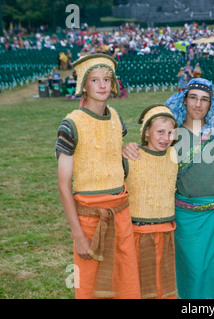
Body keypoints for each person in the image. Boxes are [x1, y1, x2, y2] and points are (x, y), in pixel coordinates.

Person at [122, 78, 214, 299]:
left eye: (204, 100)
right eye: (193, 98)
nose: (198, 105)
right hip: (184, 219)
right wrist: (129, 146)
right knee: (190, 274)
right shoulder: (172, 136)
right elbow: (150, 147)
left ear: (211, 104)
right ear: (184, 100)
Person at [56, 53, 141, 299]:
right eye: (95, 80)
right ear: (84, 84)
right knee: (91, 288)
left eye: (107, 79)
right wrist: (78, 235)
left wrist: (126, 151)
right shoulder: (71, 124)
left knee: (125, 285)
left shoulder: (116, 117)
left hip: (121, 214)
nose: (102, 85)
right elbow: (63, 185)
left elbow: (112, 158)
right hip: (90, 219)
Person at [123, 104, 178, 299]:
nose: (166, 138)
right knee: (139, 287)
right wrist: (123, 147)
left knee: (165, 287)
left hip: (166, 232)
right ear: (147, 132)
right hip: (139, 234)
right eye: (160, 132)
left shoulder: (174, 155)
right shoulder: (132, 156)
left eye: (171, 132)